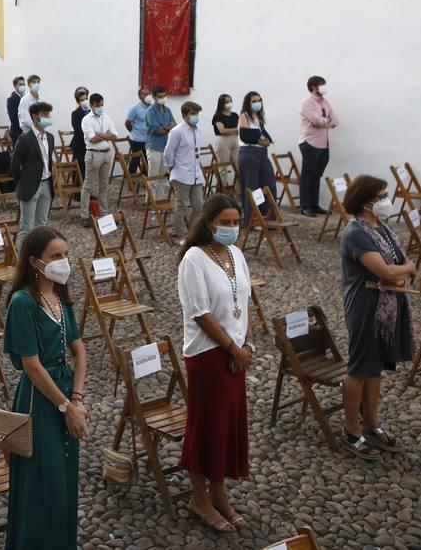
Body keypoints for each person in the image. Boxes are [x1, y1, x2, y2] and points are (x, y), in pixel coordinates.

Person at [2, 226, 87, 550]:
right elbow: (32, 366)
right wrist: (66, 407)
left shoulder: (60, 297)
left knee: (63, 478)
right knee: (43, 478)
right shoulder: (23, 303)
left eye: (65, 255)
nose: (63, 262)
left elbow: (79, 351)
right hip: (40, 397)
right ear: (36, 262)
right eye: (56, 256)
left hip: (65, 392)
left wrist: (76, 399)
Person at [176, 195, 253, 534]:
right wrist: (231, 348)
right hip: (208, 353)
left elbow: (245, 301)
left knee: (228, 424)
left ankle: (219, 492)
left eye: (236, 222)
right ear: (209, 223)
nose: (231, 228)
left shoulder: (236, 254)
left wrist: (246, 344)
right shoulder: (194, 258)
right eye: (225, 222)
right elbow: (200, 312)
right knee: (207, 424)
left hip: (236, 350)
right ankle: (198, 497)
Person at [338, 175, 416, 457]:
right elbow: (386, 270)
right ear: (366, 201)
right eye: (382, 196)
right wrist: (406, 269)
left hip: (385, 303)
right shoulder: (356, 233)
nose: (387, 201)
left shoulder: (381, 227)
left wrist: (401, 271)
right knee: (359, 367)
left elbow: (395, 265)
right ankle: (352, 430)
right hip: (365, 304)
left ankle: (371, 424)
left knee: (375, 366)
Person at [12, 101, 56, 248]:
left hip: (47, 184)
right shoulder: (25, 138)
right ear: (34, 117)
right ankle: (21, 260)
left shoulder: (50, 137)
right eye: (44, 114)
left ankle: (38, 255)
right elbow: (15, 164)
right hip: (30, 186)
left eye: (48, 114)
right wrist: (22, 182)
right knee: (26, 226)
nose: (47, 117)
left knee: (42, 225)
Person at [163, 101, 206, 241]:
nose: (195, 116)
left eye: (197, 114)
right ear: (184, 115)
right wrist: (171, 167)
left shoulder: (198, 130)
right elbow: (168, 152)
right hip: (181, 174)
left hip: (196, 174)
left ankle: (192, 233)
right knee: (181, 205)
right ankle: (179, 234)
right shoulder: (176, 131)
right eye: (192, 114)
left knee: (199, 206)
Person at [298, 76, 337, 217]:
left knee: (317, 175)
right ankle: (305, 206)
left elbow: (335, 119)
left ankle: (314, 205)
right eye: (321, 84)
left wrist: (325, 122)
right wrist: (326, 122)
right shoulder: (307, 102)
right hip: (310, 143)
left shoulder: (325, 102)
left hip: (323, 143)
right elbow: (316, 121)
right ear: (313, 87)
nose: (324, 87)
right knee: (308, 175)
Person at [237, 90, 277, 216]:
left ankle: (268, 217)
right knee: (253, 188)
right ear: (248, 103)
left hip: (262, 154)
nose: (257, 103)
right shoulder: (244, 116)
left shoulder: (259, 118)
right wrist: (260, 141)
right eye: (254, 101)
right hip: (249, 154)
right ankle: (253, 218)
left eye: (259, 100)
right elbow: (245, 136)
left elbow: (263, 134)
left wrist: (268, 140)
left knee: (269, 183)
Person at [79, 93, 117, 220]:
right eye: (97, 105)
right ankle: (84, 215)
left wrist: (101, 134)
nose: (100, 107)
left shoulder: (107, 117)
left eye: (102, 105)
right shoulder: (86, 120)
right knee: (88, 186)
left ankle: (104, 213)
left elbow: (115, 136)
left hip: (107, 153)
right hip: (94, 154)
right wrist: (106, 135)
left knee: (104, 186)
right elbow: (93, 140)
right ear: (91, 105)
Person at [144, 85, 175, 176]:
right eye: (160, 97)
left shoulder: (168, 110)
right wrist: (168, 128)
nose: (163, 98)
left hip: (166, 146)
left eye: (164, 96)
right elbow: (157, 130)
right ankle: (150, 191)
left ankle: (162, 191)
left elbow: (175, 126)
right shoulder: (150, 111)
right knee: (154, 176)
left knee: (164, 176)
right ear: (154, 97)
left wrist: (164, 127)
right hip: (154, 147)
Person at [124, 87, 152, 174]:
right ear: (140, 96)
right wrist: (134, 132)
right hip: (137, 139)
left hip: (149, 139)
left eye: (148, 94)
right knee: (135, 160)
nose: (147, 96)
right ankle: (131, 181)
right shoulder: (135, 108)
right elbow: (128, 122)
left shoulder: (152, 107)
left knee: (147, 160)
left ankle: (145, 181)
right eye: (144, 94)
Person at [211, 94, 239, 166]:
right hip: (223, 141)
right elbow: (222, 131)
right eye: (227, 102)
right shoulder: (218, 115)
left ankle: (240, 177)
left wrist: (235, 130)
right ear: (221, 103)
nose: (229, 103)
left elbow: (241, 129)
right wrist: (236, 129)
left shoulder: (235, 115)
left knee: (238, 164)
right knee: (223, 165)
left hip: (235, 139)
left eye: (230, 101)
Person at [6, 76, 26, 143]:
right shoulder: (11, 100)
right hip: (17, 132)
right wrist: (24, 127)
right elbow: (13, 117)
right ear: (15, 86)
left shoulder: (26, 98)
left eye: (24, 84)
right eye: (20, 84)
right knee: (19, 153)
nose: (22, 86)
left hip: (28, 132)